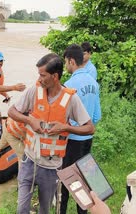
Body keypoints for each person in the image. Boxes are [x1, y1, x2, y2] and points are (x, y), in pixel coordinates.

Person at [7, 53, 95, 214]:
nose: (39, 79)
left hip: (51, 167)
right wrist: (30, 121)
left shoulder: (71, 99)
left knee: (45, 210)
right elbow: (12, 111)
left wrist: (65, 127)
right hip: (29, 161)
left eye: (42, 75)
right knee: (21, 209)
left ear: (55, 76)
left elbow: (89, 128)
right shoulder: (34, 91)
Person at [60, 44, 101, 214]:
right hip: (87, 139)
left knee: (66, 179)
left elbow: (62, 117)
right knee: (84, 177)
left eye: (65, 63)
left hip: (72, 140)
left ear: (71, 61)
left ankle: (60, 211)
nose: (66, 66)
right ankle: (82, 211)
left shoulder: (68, 85)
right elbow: (97, 116)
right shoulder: (94, 82)